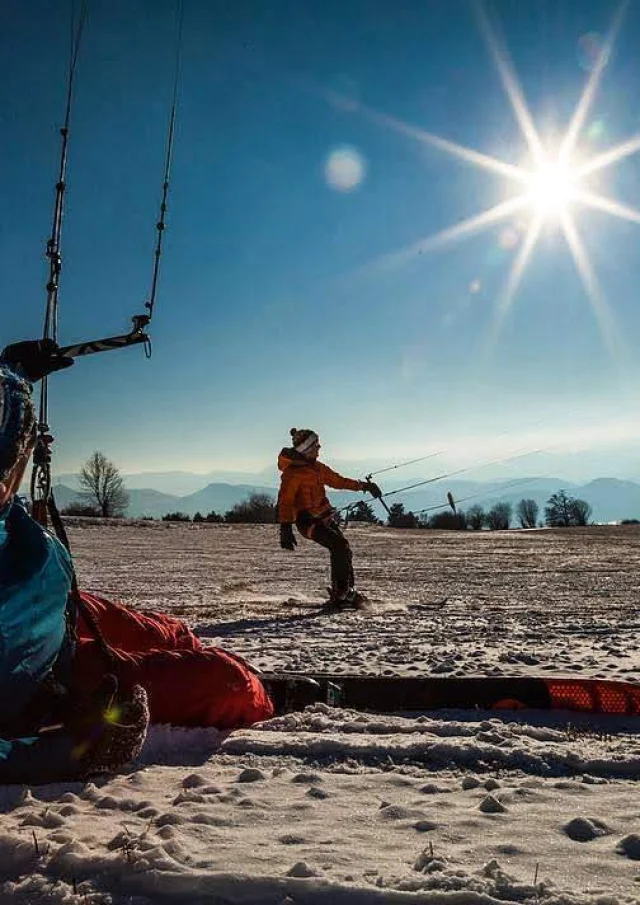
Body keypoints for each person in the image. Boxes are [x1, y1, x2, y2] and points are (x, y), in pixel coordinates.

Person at [0, 340, 273, 784]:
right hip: (49, 676)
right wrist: (75, 749)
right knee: (228, 683)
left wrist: (14, 374)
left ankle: (199, 659)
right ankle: (261, 695)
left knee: (169, 631)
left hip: (54, 612)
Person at [277, 427, 382, 606]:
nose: (319, 447)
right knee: (339, 546)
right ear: (306, 449)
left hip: (324, 517)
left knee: (344, 548)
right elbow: (285, 501)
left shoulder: (318, 468)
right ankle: (342, 594)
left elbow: (338, 481)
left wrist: (364, 486)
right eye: (315, 445)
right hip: (307, 521)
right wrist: (285, 528)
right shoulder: (292, 474)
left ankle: (346, 591)